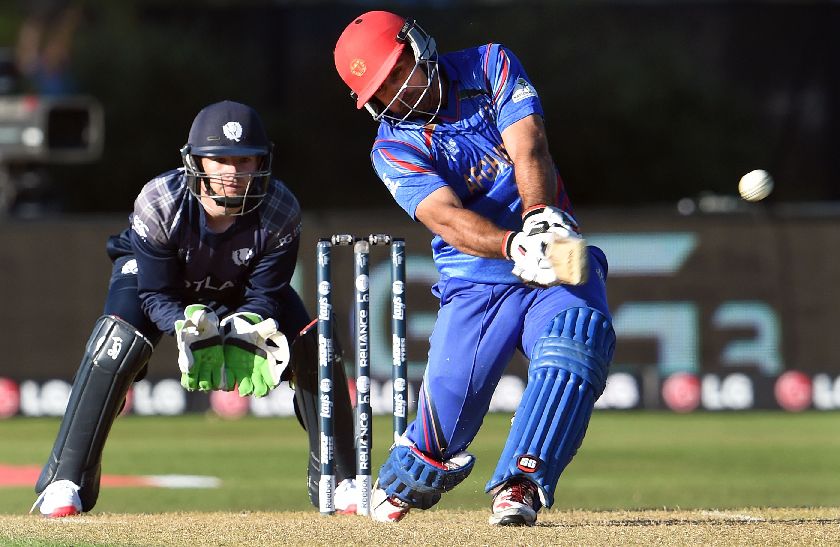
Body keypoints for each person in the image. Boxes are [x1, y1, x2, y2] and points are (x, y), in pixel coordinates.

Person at [333, 12, 616, 526]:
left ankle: (520, 484)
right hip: (475, 280)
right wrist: (513, 247)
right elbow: (445, 217)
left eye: (400, 71)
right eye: (384, 89)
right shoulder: (392, 147)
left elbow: (529, 146)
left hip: (550, 248)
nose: (400, 92)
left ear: (418, 47)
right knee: (440, 432)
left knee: (578, 340)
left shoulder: (490, 65)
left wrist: (537, 222)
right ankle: (404, 478)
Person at [30, 100, 358, 517]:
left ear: (262, 160)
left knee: (316, 344)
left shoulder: (280, 208)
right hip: (162, 284)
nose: (234, 172)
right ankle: (65, 481)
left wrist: (248, 323)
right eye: (220, 159)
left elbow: (265, 292)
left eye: (245, 159)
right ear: (195, 160)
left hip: (241, 289)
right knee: (117, 340)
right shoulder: (160, 201)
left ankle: (342, 478)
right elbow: (155, 296)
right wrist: (187, 326)